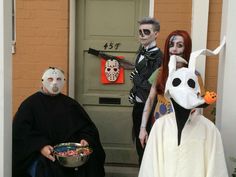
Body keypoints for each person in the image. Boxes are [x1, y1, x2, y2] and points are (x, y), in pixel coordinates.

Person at [138, 43, 228, 177]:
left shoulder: (209, 130)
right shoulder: (160, 127)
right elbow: (150, 167)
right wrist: (143, 127)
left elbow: (216, 168)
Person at [12, 67, 106, 177]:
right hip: (43, 154)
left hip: (71, 153)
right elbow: (20, 132)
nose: (54, 83)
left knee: (92, 162)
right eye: (50, 79)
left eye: (58, 79)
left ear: (64, 81)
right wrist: (40, 146)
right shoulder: (29, 105)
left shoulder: (70, 104)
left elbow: (87, 127)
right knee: (48, 168)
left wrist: (85, 139)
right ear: (42, 81)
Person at [139, 30, 205, 148]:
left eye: (179, 45)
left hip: (185, 128)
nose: (174, 49)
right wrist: (143, 128)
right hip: (160, 126)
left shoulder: (194, 75)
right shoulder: (160, 72)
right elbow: (150, 99)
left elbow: (199, 105)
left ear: (187, 49)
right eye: (171, 45)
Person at [128, 17, 163, 165]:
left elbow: (155, 87)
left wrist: (136, 80)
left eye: (146, 32)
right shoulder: (141, 51)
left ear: (156, 34)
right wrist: (133, 92)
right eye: (140, 32)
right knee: (139, 143)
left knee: (146, 146)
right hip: (138, 106)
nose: (142, 35)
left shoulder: (160, 57)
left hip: (150, 108)